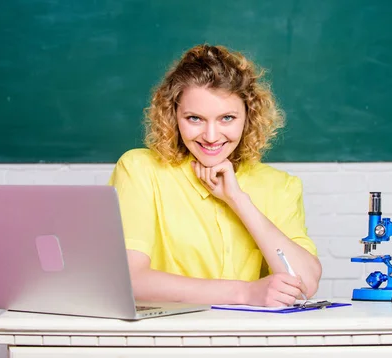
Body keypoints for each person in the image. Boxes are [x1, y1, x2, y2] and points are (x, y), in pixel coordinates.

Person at [108, 44, 322, 307]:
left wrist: (238, 200)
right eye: (195, 118)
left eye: (227, 118)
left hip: (248, 341)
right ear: (173, 116)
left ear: (249, 116)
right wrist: (245, 293)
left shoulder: (280, 186)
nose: (211, 137)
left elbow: (305, 284)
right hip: (166, 341)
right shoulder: (140, 169)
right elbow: (129, 280)